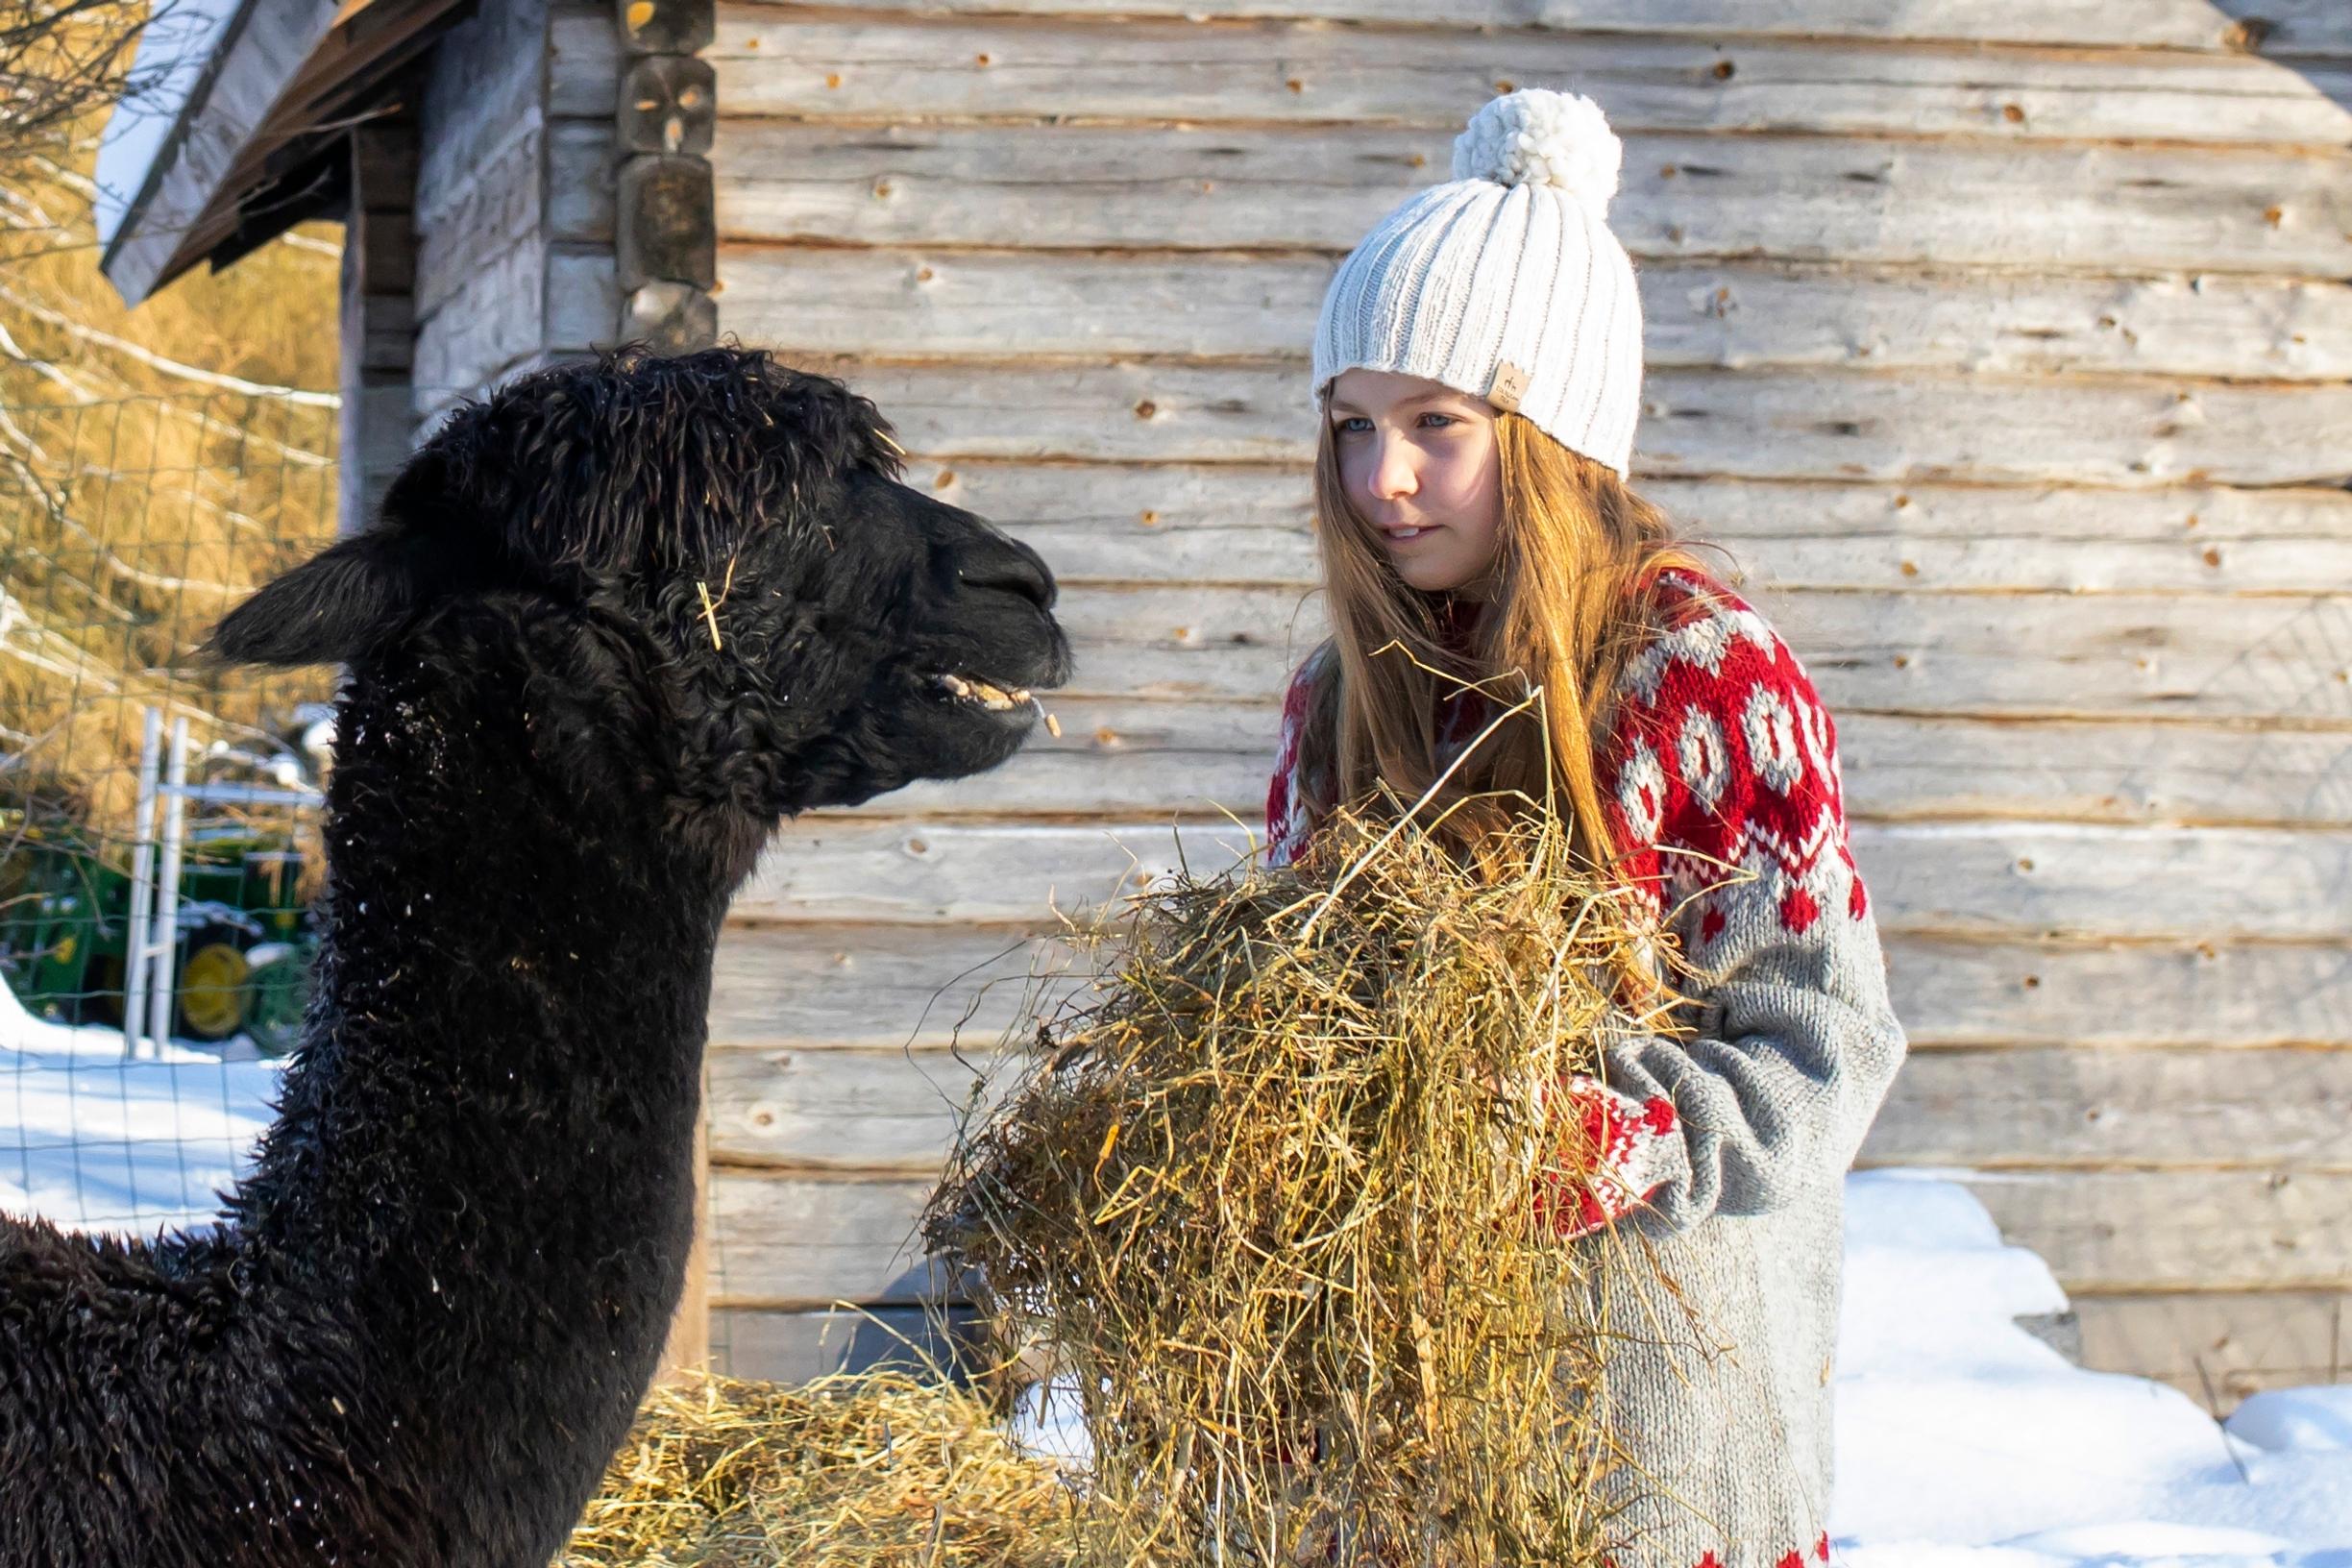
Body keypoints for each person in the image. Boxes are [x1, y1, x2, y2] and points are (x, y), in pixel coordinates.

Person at [1263, 87, 1909, 1565]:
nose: (1384, 481)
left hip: (1650, 1430)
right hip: (1395, 1439)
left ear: (1550, 434)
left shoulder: (1706, 683)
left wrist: (1597, 1135)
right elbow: (1293, 1013)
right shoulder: (1339, 700)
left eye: (1438, 425)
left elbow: (1823, 1047)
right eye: (1352, 427)